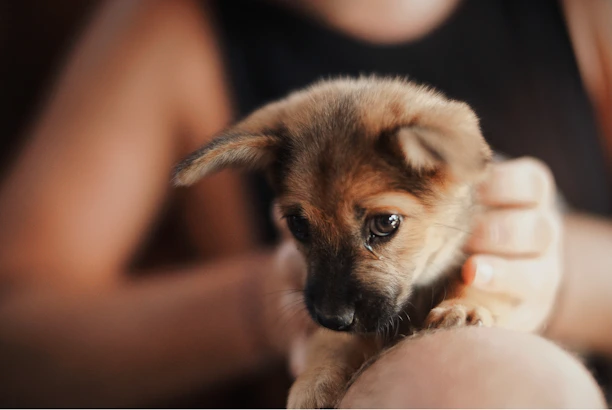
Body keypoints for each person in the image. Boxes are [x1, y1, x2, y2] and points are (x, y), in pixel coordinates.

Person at [0, 0, 610, 407]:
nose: (334, 304)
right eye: (301, 225)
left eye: (382, 224)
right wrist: (261, 309)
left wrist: (557, 277)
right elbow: (15, 341)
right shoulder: (165, 31)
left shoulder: (586, 13)